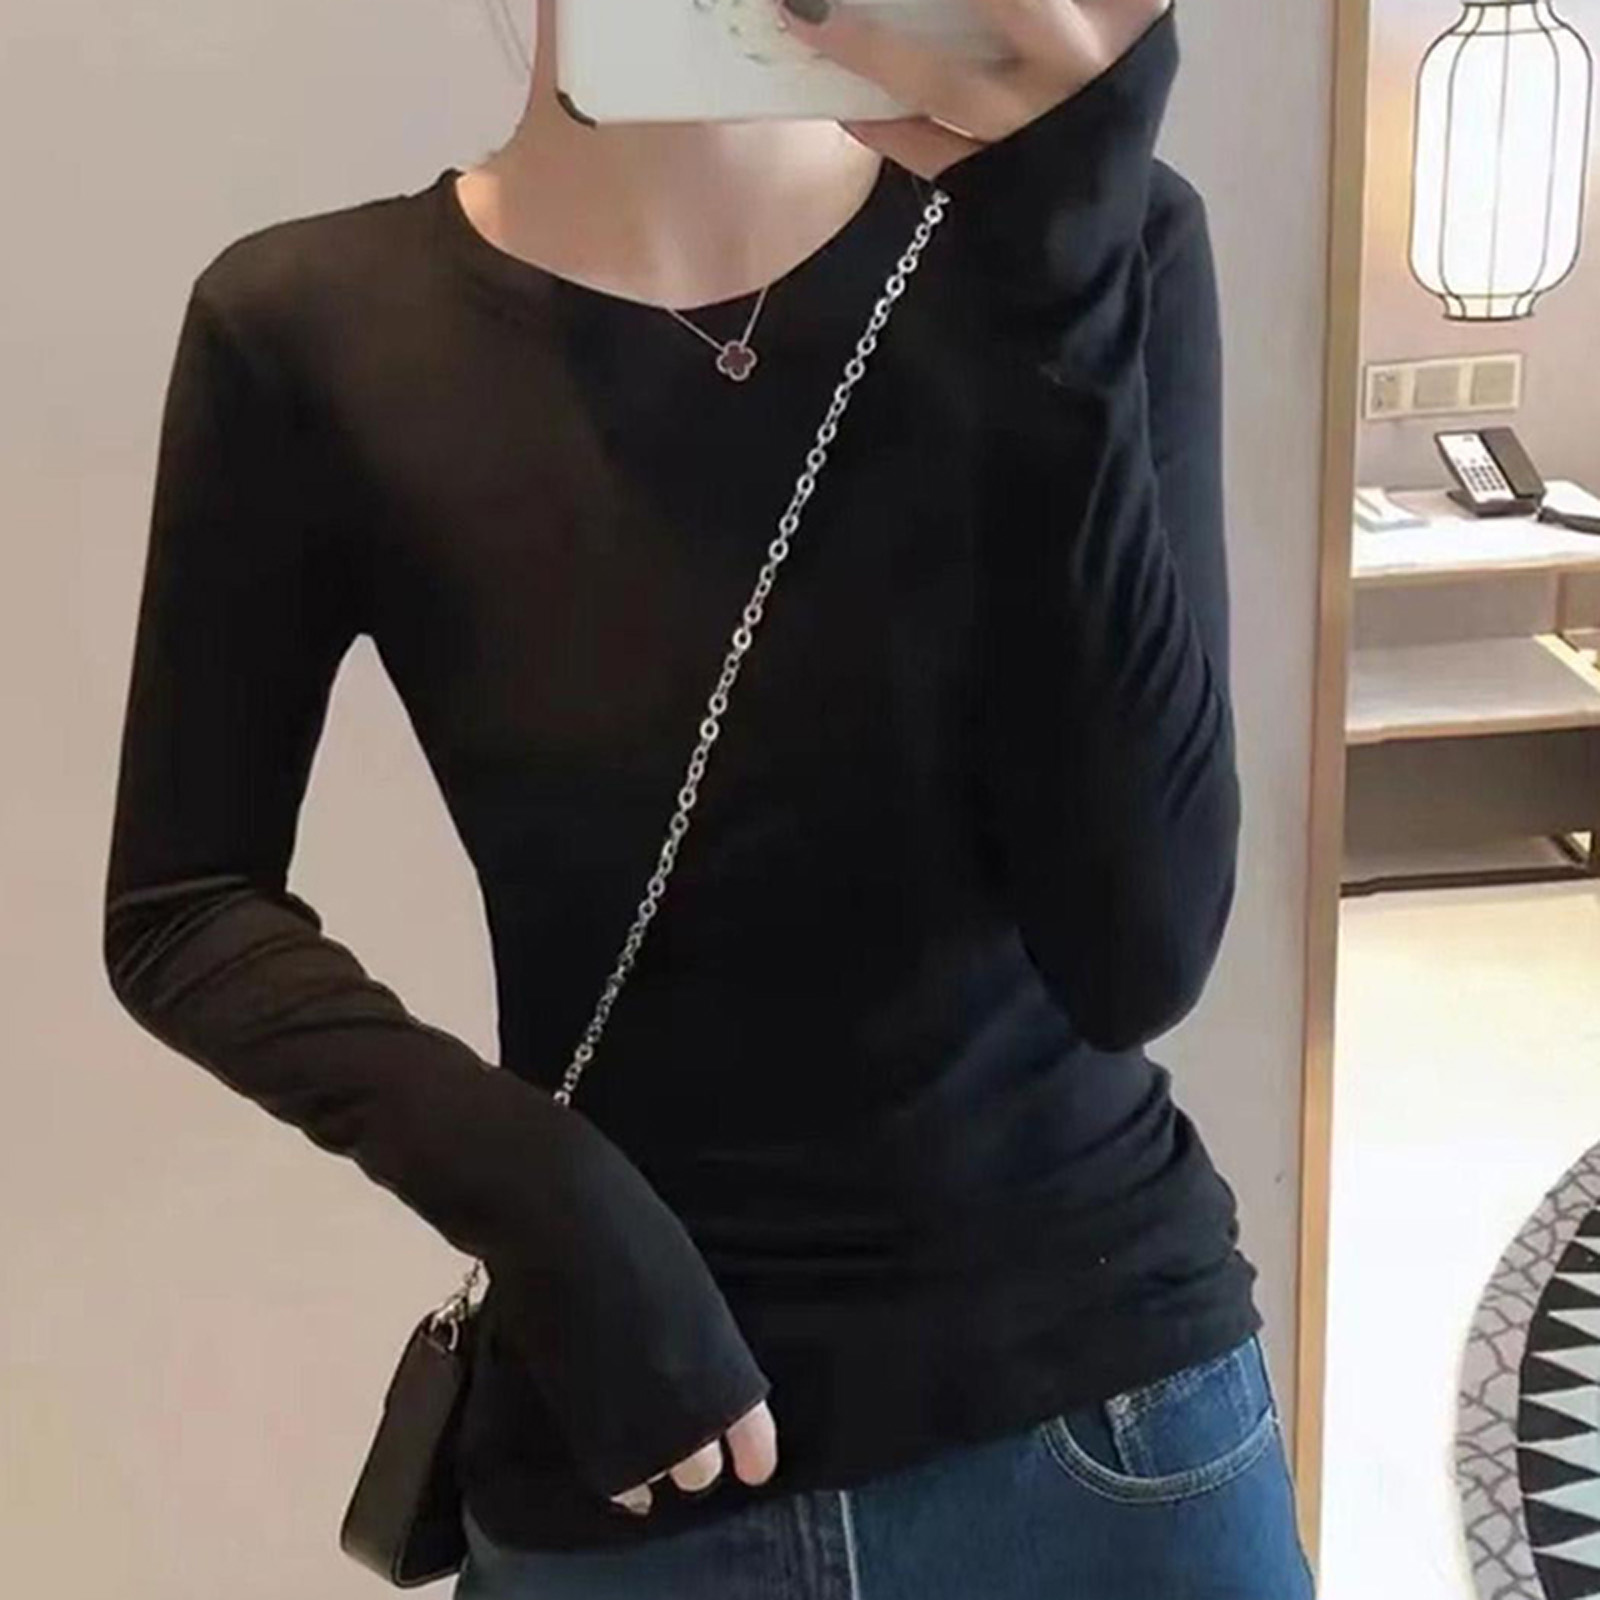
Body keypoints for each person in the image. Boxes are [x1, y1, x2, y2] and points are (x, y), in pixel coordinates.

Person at [102, 0, 1318, 1594]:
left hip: (1105, 1438)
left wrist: (1060, 260)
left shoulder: (1094, 236)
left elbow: (1138, 959)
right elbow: (183, 910)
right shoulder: (308, 330)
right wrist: (546, 1203)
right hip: (629, 1454)